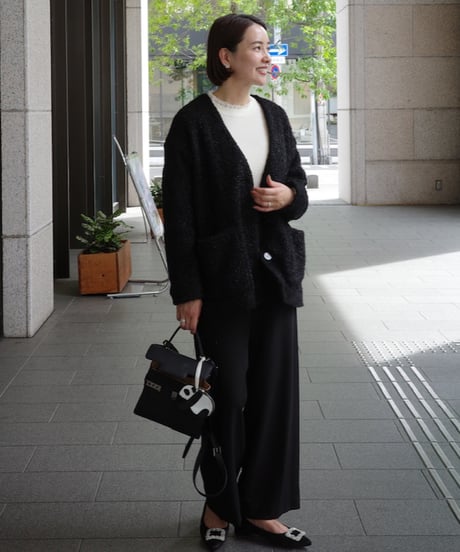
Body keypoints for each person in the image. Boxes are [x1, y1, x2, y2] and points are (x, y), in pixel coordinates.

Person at [162, 13, 310, 550]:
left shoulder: (275, 115)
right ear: (226, 56)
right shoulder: (193, 123)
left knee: (274, 395)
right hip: (221, 283)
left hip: (274, 277)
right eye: (257, 47)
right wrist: (187, 291)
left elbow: (298, 188)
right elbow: (179, 216)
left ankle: (263, 509)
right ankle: (220, 504)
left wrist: (287, 197)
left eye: (269, 47)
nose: (268, 57)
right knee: (228, 396)